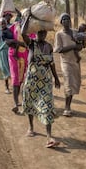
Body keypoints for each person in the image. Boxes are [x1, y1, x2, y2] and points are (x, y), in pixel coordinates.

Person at [21, 14, 61, 148]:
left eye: (44, 32)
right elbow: (22, 32)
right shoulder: (31, 44)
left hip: (45, 82)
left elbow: (52, 64)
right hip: (32, 82)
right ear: (36, 32)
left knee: (47, 107)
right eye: (40, 31)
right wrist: (29, 16)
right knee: (30, 104)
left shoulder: (49, 46)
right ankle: (31, 127)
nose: (42, 34)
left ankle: (49, 137)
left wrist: (56, 78)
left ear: (46, 33)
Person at [53, 13, 83, 117]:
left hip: (75, 61)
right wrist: (73, 45)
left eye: (67, 19)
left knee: (74, 83)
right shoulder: (59, 34)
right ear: (61, 22)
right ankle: (67, 108)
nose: (65, 21)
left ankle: (69, 105)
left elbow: (80, 47)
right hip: (65, 62)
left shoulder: (75, 32)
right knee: (68, 83)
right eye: (63, 19)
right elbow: (59, 49)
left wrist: (80, 43)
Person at [6, 14, 28, 114]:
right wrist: (18, 43)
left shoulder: (29, 29)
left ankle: (18, 100)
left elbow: (30, 43)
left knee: (20, 79)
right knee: (15, 78)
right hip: (13, 55)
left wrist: (20, 43)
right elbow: (7, 41)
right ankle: (15, 103)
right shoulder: (13, 27)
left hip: (24, 56)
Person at [0, 17, 12, 94]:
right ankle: (7, 87)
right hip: (2, 51)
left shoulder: (10, 28)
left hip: (10, 50)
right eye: (1, 23)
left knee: (11, 68)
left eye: (4, 23)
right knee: (5, 69)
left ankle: (13, 85)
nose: (3, 25)